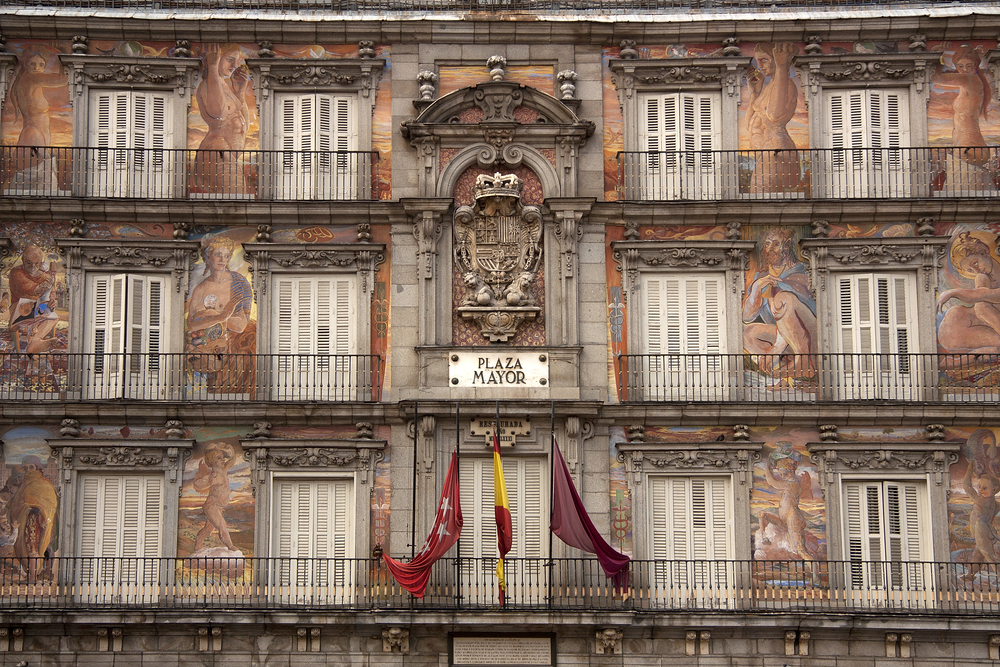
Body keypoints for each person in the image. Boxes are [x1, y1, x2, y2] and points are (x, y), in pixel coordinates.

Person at [742, 229, 817, 376]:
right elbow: (747, 317)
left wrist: (777, 347)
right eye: (768, 244)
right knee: (746, 333)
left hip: (810, 336)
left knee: (783, 298)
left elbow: (790, 311)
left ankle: (804, 363)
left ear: (787, 246)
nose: (770, 249)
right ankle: (782, 370)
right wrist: (757, 288)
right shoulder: (762, 276)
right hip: (786, 341)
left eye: (776, 244)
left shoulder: (801, 272)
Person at [2, 47, 69, 192]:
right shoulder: (32, 78)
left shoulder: (25, 82)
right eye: (32, 64)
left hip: (34, 135)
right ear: (25, 64)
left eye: (41, 65)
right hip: (33, 136)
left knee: (34, 186)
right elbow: (62, 79)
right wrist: (65, 56)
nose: (37, 68)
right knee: (38, 186)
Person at [933, 45, 997, 193]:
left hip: (969, 145)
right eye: (960, 66)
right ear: (956, 66)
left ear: (975, 66)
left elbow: (936, 78)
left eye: (969, 66)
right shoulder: (969, 84)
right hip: (968, 145)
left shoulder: (971, 80)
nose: (964, 69)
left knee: (962, 198)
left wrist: (934, 60)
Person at [186, 237, 252, 377]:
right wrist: (221, 316)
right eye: (218, 254)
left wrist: (211, 316)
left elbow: (240, 326)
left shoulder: (239, 284)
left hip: (225, 352)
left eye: (226, 256)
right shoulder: (200, 288)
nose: (223, 259)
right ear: (208, 257)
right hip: (201, 352)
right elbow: (191, 325)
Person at [192, 43, 251, 195]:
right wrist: (212, 67)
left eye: (236, 61)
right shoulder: (208, 85)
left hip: (227, 154)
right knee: (237, 198)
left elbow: (245, 124)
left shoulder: (224, 85)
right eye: (230, 59)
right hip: (217, 152)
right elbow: (218, 115)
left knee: (237, 199)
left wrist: (240, 92)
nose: (234, 66)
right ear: (216, 58)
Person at [745, 43, 801, 194]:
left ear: (777, 58)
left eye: (764, 60)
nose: (760, 65)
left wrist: (782, 68)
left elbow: (775, 115)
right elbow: (749, 124)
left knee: (761, 201)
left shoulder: (785, 84)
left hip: (777, 150)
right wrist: (754, 94)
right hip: (767, 152)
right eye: (758, 61)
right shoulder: (769, 87)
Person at [937, 232, 1000, 354]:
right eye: (971, 270)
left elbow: (985, 296)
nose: (976, 270)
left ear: (983, 252)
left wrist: (952, 292)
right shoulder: (982, 278)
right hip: (957, 327)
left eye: (975, 264)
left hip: (969, 328)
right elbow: (981, 300)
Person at [758, 448, 817, 562]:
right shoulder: (788, 483)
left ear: (790, 471)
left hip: (792, 518)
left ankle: (815, 570)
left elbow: (771, 481)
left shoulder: (793, 484)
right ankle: (764, 537)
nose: (781, 475)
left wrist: (769, 461)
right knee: (762, 514)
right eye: (780, 473)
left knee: (799, 548)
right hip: (784, 519)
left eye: (783, 473)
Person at [7, 245, 59, 353]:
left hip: (38, 307)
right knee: (23, 320)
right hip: (19, 307)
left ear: (40, 262)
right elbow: (25, 285)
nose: (33, 266)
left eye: (37, 263)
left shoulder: (45, 276)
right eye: (29, 263)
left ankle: (35, 342)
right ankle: (34, 344)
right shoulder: (16, 272)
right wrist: (38, 287)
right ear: (23, 260)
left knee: (54, 317)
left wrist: (52, 300)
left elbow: (51, 293)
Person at [193, 443, 238, 552]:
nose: (223, 460)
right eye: (219, 458)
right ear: (211, 461)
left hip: (219, 507)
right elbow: (197, 484)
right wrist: (208, 482)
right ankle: (230, 546)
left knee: (208, 529)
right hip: (211, 506)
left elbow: (232, 458)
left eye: (223, 458)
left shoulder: (224, 470)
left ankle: (197, 546)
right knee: (222, 524)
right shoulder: (211, 476)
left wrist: (224, 448)